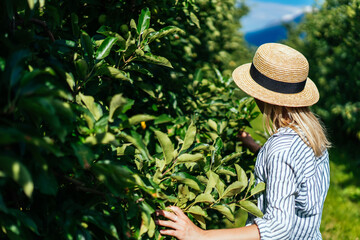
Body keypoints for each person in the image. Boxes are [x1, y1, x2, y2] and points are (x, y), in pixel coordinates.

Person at [155, 43, 331, 240]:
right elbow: (293, 174)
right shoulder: (312, 136)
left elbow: (278, 227)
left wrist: (200, 235)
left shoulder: (281, 149)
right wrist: (257, 148)